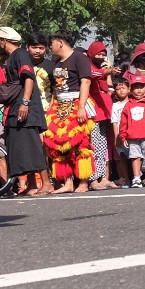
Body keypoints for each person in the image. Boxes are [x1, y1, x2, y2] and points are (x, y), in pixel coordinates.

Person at [0, 27, 48, 197]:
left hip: (25, 108)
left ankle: (46, 183)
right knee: (22, 148)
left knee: (32, 146)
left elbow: (28, 78)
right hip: (14, 108)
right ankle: (31, 185)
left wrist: (25, 103)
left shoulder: (21, 54)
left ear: (3, 40)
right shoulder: (9, 58)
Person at [43, 34, 97, 193]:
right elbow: (55, 87)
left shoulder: (79, 58)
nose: (49, 47)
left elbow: (85, 81)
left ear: (60, 42)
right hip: (59, 105)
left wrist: (81, 106)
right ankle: (67, 182)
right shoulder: (55, 62)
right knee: (59, 144)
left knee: (81, 143)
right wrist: (52, 106)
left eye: (51, 43)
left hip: (76, 102)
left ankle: (83, 183)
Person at [117, 72, 145, 186]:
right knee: (134, 157)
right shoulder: (128, 105)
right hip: (132, 137)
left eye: (141, 87)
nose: (139, 90)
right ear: (131, 89)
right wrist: (123, 136)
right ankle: (136, 177)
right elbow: (123, 122)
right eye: (136, 87)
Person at [84, 40, 117, 189]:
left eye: (104, 54)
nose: (101, 57)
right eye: (98, 54)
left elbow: (108, 87)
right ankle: (93, 179)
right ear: (91, 54)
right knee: (93, 146)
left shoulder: (102, 68)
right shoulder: (88, 67)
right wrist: (108, 71)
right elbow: (94, 75)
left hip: (104, 112)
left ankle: (103, 176)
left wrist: (108, 71)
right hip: (93, 113)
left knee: (103, 146)